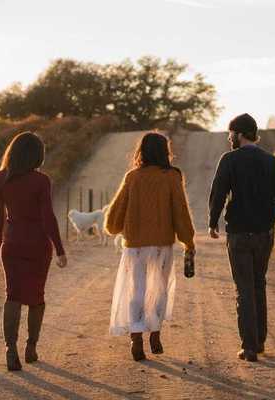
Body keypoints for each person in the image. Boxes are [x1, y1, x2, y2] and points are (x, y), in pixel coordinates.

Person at [208, 113, 275, 362]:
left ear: (239, 134)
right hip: (264, 234)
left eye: (230, 134)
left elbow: (218, 194)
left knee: (243, 287)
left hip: (238, 234)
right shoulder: (271, 162)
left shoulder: (229, 160)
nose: (228, 138)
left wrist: (213, 223)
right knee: (258, 284)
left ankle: (248, 346)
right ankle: (260, 341)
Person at [105, 132, 195, 361]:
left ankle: (136, 338)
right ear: (166, 151)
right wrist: (188, 240)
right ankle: (155, 334)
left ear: (141, 151)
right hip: (162, 244)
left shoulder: (132, 177)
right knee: (160, 289)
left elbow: (114, 218)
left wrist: (114, 226)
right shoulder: (172, 176)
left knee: (137, 290)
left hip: (135, 245)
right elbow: (180, 211)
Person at [0, 132, 68, 371]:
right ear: (37, 155)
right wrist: (60, 249)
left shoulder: (0, 177)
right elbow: (48, 217)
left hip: (12, 242)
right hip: (37, 244)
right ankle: (31, 347)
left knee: (12, 295)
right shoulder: (41, 181)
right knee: (36, 297)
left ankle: (10, 349)